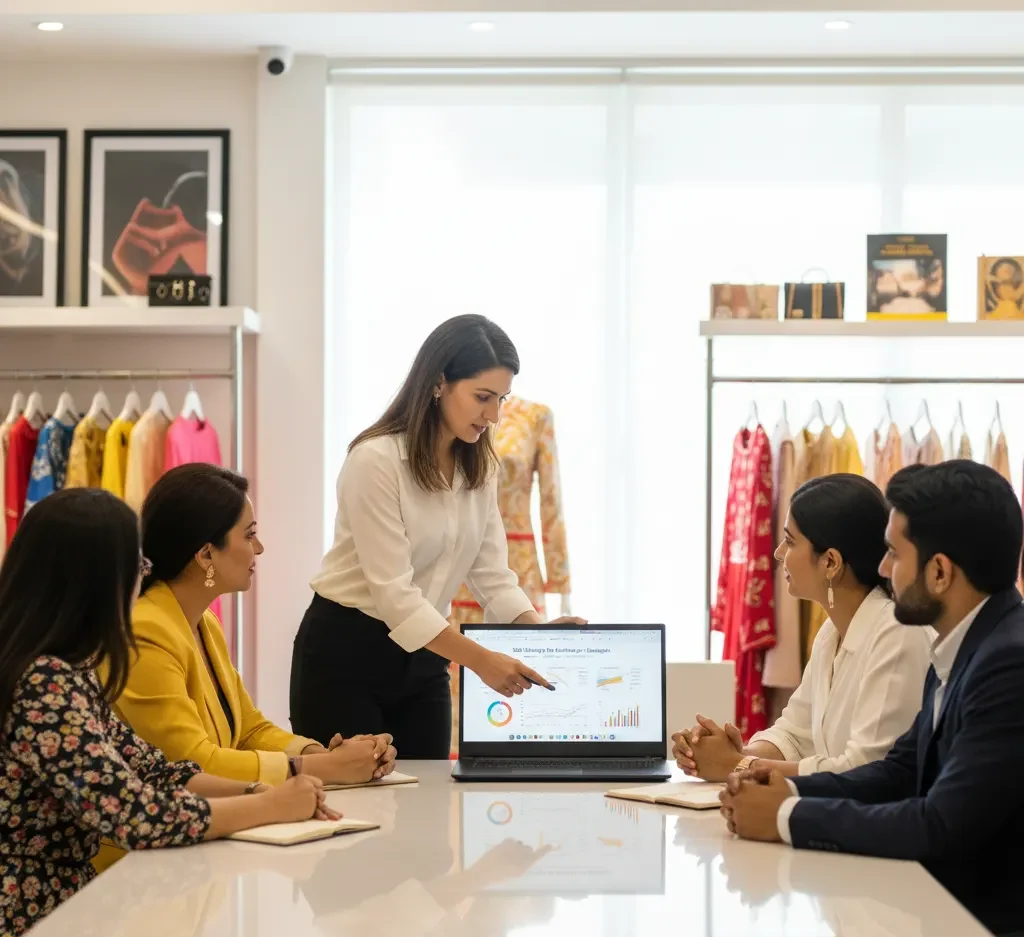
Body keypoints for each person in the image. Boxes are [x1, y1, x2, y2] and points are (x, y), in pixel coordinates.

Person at [0, 488, 339, 936]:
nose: (139, 585)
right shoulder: (46, 681)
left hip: (69, 899)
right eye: (136, 570)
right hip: (37, 912)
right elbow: (134, 815)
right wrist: (271, 804)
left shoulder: (66, 669)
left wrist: (257, 792)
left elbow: (158, 771)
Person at [720, 461, 1024, 937]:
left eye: (893, 555)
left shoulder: (1008, 664)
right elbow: (898, 771)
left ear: (940, 571)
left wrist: (785, 815)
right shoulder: (965, 646)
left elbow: (939, 823)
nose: (881, 569)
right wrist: (781, 788)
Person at [290, 314, 585, 758]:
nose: (495, 415)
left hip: (425, 656)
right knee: (356, 814)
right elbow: (395, 596)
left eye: (502, 399)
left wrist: (536, 634)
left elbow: (492, 575)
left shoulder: (479, 466)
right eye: (483, 397)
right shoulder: (375, 461)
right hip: (345, 653)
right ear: (438, 383)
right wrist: (482, 660)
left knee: (425, 805)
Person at [674, 474, 931, 781]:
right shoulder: (831, 633)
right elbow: (794, 736)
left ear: (831, 563)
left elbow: (866, 769)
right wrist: (730, 754)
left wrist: (738, 766)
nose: (778, 553)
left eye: (791, 541)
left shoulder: (897, 634)